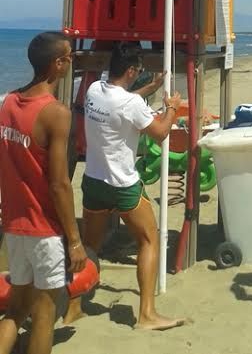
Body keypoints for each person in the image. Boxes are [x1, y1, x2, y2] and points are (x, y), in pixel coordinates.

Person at [66, 43, 184, 330]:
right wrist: (171, 109)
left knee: (91, 246)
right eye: (139, 70)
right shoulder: (130, 105)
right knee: (149, 240)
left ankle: (73, 307)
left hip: (93, 181)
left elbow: (123, 103)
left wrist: (150, 89)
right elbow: (159, 133)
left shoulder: (94, 90)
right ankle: (146, 314)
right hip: (122, 185)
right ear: (131, 70)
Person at [0, 32, 87, 354]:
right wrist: (74, 240)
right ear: (58, 64)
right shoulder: (55, 113)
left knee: (16, 309)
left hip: (14, 223)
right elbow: (59, 183)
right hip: (43, 228)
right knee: (44, 314)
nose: (71, 62)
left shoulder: (7, 102)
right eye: (69, 57)